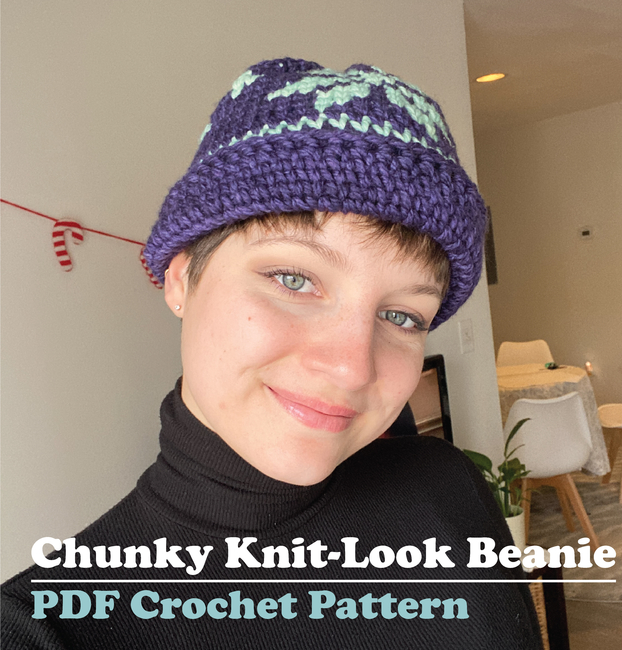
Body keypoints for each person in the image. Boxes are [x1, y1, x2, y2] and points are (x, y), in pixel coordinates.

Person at [2, 58, 542, 649]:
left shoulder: (449, 488)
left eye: (402, 316)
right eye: (292, 278)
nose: (351, 367)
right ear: (181, 279)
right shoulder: (41, 628)